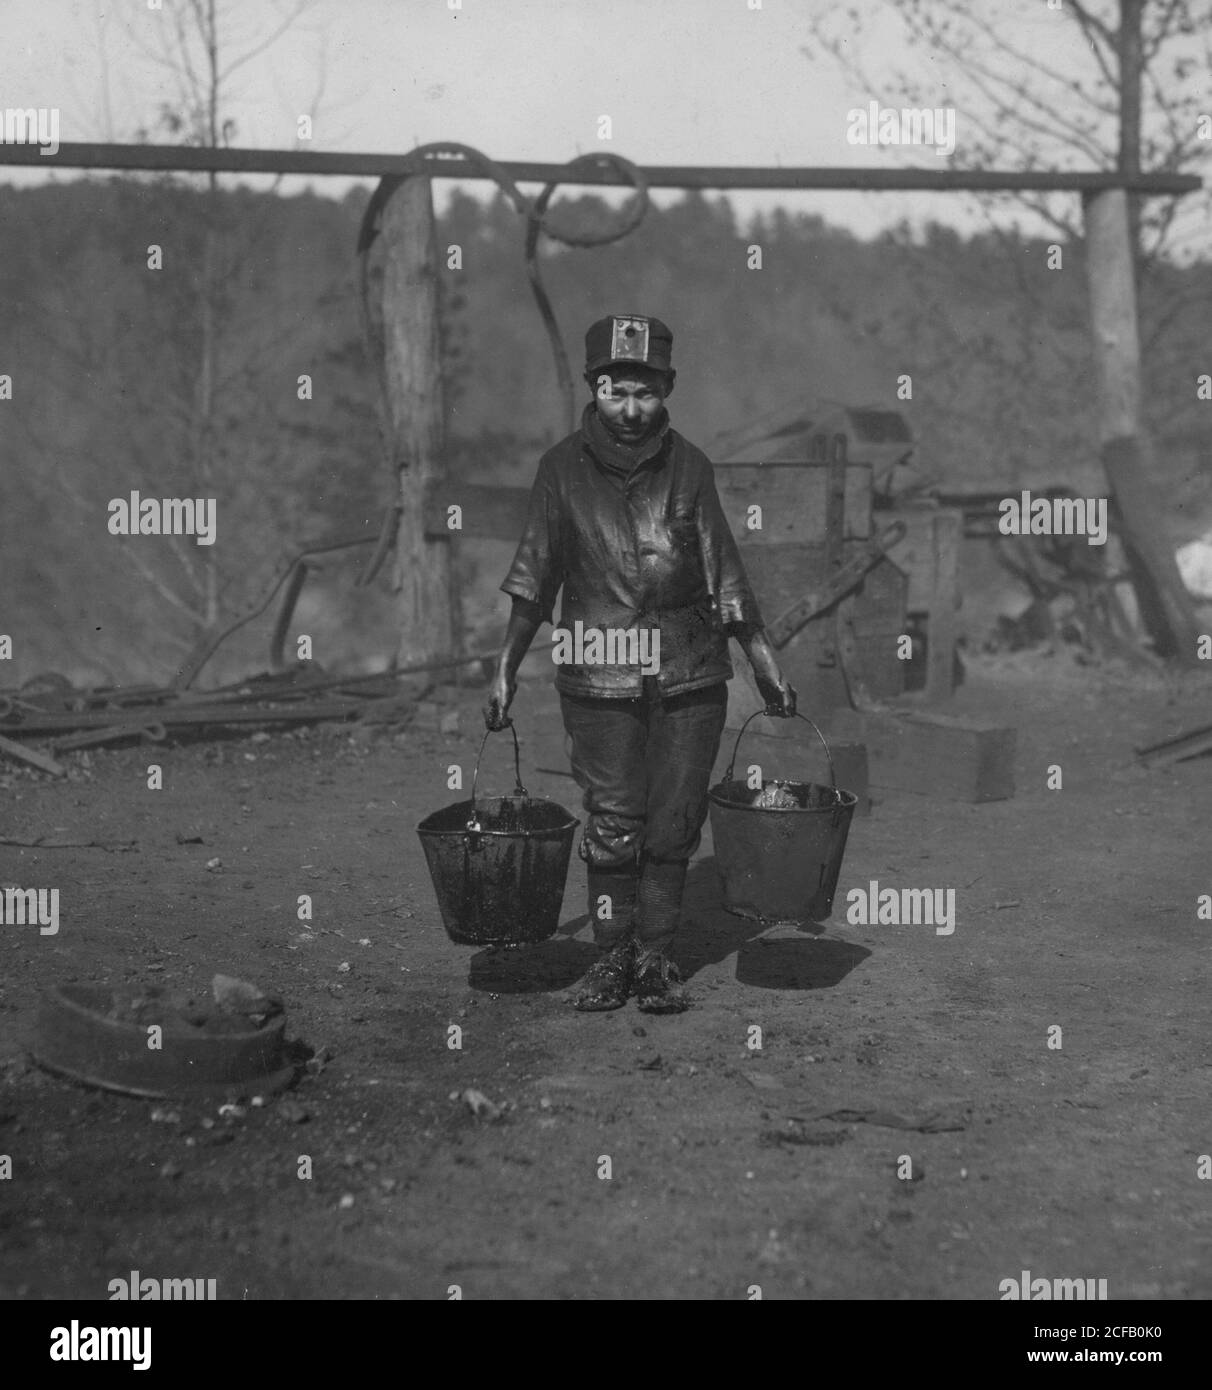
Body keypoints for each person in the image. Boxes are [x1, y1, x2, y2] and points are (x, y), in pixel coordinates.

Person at [485, 313, 795, 1014]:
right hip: (597, 671)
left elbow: (727, 575)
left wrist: (764, 661)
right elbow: (534, 577)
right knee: (613, 820)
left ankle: (656, 957)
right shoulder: (560, 471)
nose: (631, 409)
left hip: (690, 672)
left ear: (669, 389)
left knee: (674, 820)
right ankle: (609, 958)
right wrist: (504, 664)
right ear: (595, 386)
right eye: (617, 391)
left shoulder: (691, 467)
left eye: (646, 393)